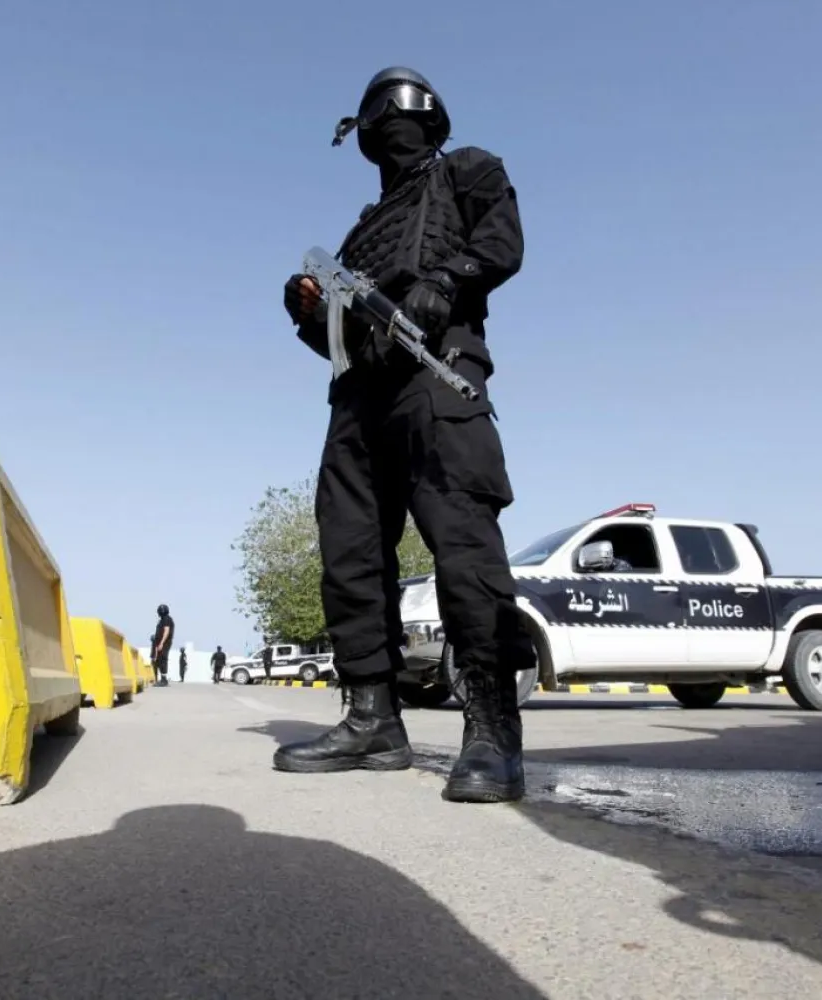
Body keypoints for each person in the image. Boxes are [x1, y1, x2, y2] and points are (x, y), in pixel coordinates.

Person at [275, 67, 534, 804]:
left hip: (437, 372)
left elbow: (502, 244)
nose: (393, 119)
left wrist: (446, 281)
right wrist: (308, 309)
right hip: (358, 396)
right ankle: (372, 721)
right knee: (349, 551)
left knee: (464, 547)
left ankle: (491, 731)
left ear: (431, 117)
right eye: (379, 110)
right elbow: (329, 341)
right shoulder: (360, 231)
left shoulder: (469, 170)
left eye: (403, 106)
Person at [151, 604, 174, 687]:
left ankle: (164, 680)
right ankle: (162, 679)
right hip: (160, 643)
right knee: (159, 660)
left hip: (164, 643)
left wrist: (162, 643)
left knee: (163, 659)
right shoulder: (162, 620)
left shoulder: (167, 619)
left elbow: (166, 631)